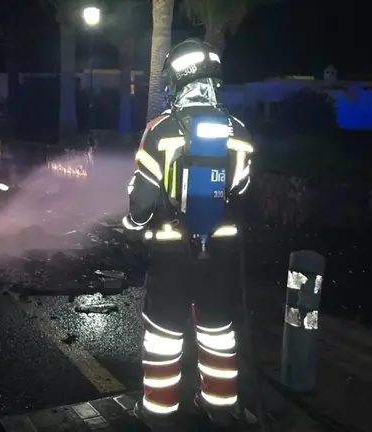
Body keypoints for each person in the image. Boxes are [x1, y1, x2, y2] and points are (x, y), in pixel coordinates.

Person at [122, 38, 254, 430]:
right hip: (223, 252)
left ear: (174, 81)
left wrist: (131, 227)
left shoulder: (160, 131)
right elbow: (243, 192)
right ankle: (219, 408)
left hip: (171, 254)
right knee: (217, 332)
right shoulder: (240, 132)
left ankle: (159, 414)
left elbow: (141, 203)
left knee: (164, 335)